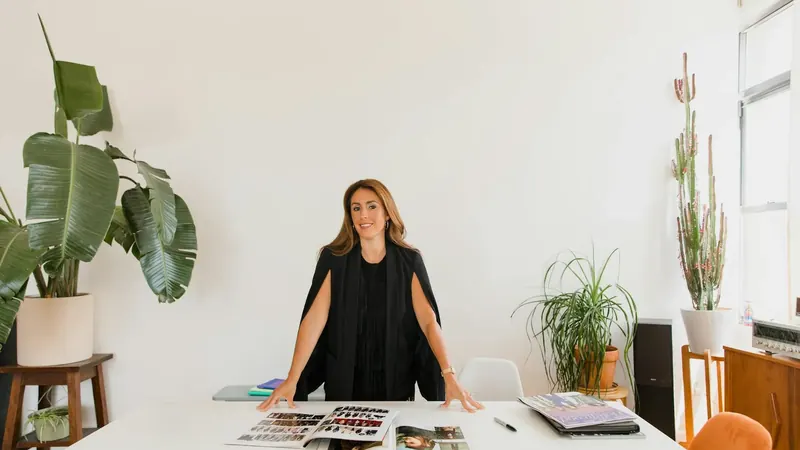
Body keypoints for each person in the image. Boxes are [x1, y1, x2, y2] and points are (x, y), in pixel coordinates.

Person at [257, 179, 483, 413]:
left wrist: (449, 375)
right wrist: (292, 379)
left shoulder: (409, 260)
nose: (363, 214)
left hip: (395, 384)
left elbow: (428, 322)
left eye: (371, 206)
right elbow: (314, 320)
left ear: (387, 213)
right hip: (343, 384)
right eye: (356, 208)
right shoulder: (333, 258)